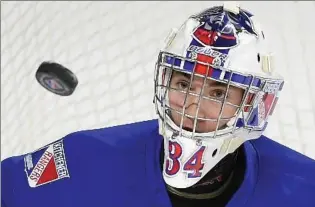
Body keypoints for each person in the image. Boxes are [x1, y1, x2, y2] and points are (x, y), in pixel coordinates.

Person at [2, 2, 315, 207]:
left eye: (218, 93)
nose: (192, 105)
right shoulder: (83, 157)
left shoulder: (304, 187)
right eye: (183, 84)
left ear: (254, 106)